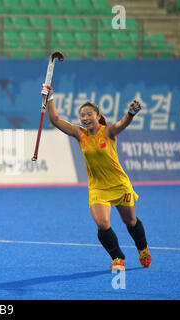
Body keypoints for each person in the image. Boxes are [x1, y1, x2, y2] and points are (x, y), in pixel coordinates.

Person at [43, 84, 151, 271]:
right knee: (102, 224)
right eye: (82, 115)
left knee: (130, 221)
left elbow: (122, 123)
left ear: (98, 116)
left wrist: (131, 113)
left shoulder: (108, 132)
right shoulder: (80, 134)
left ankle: (143, 248)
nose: (85, 118)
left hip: (119, 184)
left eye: (89, 115)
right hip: (98, 187)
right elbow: (55, 119)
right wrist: (49, 97)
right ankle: (118, 258)